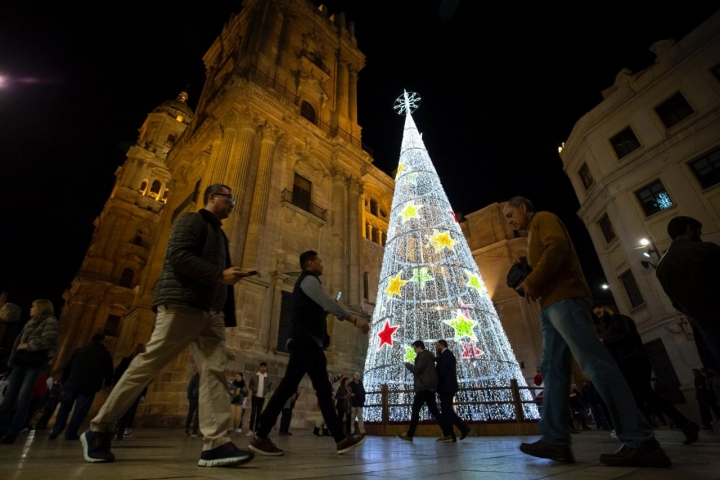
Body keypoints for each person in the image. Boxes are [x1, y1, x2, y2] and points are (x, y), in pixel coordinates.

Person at [79, 183, 254, 467]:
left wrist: (224, 292)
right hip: (183, 303)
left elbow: (215, 273)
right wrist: (219, 274)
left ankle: (216, 444)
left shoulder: (219, 235)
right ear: (212, 197)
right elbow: (179, 256)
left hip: (211, 311)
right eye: (228, 198)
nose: (232, 204)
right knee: (148, 364)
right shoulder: (191, 220)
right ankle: (99, 427)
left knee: (215, 372)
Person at [503, 196, 669, 468]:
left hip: (565, 300)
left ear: (523, 208)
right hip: (551, 304)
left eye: (510, 215)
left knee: (595, 364)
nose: (509, 221)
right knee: (553, 371)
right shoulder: (533, 233)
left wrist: (533, 279)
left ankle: (642, 441)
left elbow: (557, 248)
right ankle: (555, 441)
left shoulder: (543, 218)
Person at [248, 250, 369, 456]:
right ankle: (261, 436)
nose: (322, 265)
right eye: (319, 262)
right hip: (306, 344)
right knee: (302, 390)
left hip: (308, 344)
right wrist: (354, 320)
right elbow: (327, 301)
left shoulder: (309, 283)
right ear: (310, 264)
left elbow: (320, 310)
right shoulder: (308, 280)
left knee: (312, 390)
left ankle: (339, 439)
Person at [593, 301, 700, 444]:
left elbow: (628, 334)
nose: (599, 317)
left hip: (636, 361)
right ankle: (656, 432)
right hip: (628, 363)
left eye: (599, 313)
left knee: (645, 395)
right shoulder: (612, 326)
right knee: (640, 398)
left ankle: (682, 425)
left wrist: (605, 341)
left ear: (606, 308)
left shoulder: (623, 320)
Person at [656, 216, 720, 368]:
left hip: (704, 325)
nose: (700, 235)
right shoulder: (705, 249)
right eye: (698, 231)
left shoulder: (661, 267)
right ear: (689, 229)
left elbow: (675, 302)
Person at [0, 299, 59, 444]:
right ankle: (1, 428)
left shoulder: (51, 321)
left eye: (33, 307)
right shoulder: (30, 322)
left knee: (23, 395)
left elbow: (49, 340)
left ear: (41, 308)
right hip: (20, 362)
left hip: (35, 363)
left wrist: (28, 345)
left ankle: (14, 430)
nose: (30, 309)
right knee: (9, 395)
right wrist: (12, 359)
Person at [50, 334, 114, 440]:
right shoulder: (105, 354)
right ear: (102, 341)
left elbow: (67, 367)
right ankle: (71, 433)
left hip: (71, 384)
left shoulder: (79, 350)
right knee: (80, 411)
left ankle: (56, 429)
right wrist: (107, 383)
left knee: (64, 408)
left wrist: (65, 381)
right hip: (89, 387)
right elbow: (109, 372)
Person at [397, 340, 453, 443]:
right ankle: (447, 433)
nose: (414, 350)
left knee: (415, 410)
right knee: (435, 411)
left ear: (419, 347)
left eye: (414, 348)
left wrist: (408, 365)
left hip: (423, 387)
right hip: (429, 387)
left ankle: (410, 435)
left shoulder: (423, 356)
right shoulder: (428, 356)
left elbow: (417, 370)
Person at [435, 339, 471, 441]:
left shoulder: (446, 355)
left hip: (446, 387)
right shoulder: (446, 355)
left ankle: (462, 428)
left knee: (446, 410)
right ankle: (452, 435)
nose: (436, 348)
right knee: (446, 411)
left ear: (441, 345)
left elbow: (442, 371)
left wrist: (437, 383)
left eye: (437, 346)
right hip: (448, 387)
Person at [114, 343, 148, 440]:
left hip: (123, 388)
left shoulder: (126, 361)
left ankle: (115, 428)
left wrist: (116, 387)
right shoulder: (143, 364)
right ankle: (123, 430)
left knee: (120, 409)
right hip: (135, 390)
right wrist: (142, 394)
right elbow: (145, 380)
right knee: (129, 411)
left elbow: (117, 374)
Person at [246, 363, 272, 435]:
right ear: (259, 367)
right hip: (255, 396)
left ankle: (256, 430)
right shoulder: (255, 376)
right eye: (261, 367)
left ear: (266, 368)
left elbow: (270, 387)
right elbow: (250, 384)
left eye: (264, 367)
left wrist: (266, 390)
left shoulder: (268, 377)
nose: (263, 368)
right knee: (253, 413)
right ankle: (250, 430)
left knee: (259, 414)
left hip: (262, 397)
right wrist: (254, 388)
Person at [0, 301, 23, 374]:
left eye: (2, 310)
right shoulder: (2, 325)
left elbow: (10, 348)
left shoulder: (13, 329)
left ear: (8, 313)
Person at [185, 371, 200, 436]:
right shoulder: (195, 377)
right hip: (193, 398)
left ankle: (195, 430)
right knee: (190, 413)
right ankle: (186, 429)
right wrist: (190, 397)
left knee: (198, 415)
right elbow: (190, 387)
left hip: (200, 398)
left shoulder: (203, 378)